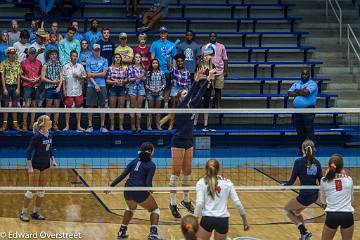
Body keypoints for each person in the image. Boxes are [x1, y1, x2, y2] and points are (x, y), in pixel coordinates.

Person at [161, 65, 216, 219]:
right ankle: (172, 203)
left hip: (188, 142)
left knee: (187, 174)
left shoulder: (192, 105)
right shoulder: (180, 107)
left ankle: (185, 201)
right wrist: (196, 81)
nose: (187, 95)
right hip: (178, 142)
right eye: (184, 94)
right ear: (180, 98)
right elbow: (191, 92)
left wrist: (208, 80)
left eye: (187, 94)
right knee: (175, 174)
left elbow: (199, 93)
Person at [107, 142, 161, 240]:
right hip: (139, 191)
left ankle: (122, 231)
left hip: (127, 190)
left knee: (130, 208)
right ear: (150, 152)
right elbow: (148, 183)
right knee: (155, 209)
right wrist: (152, 190)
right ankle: (153, 233)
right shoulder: (151, 165)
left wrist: (110, 187)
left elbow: (122, 175)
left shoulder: (134, 161)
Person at [194, 159, 250, 240]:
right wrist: (245, 220)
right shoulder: (227, 182)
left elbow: (199, 204)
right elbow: (237, 203)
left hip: (207, 219)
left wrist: (195, 220)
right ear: (218, 169)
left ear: (206, 169)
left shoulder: (201, 182)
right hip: (223, 220)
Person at [20, 115, 57, 222]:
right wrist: (30, 167)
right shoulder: (37, 136)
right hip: (36, 165)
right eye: (49, 120)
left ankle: (36, 212)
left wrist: (53, 159)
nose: (51, 121)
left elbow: (50, 149)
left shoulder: (50, 135)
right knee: (32, 189)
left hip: (46, 165)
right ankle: (23, 212)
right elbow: (28, 151)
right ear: (43, 124)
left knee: (41, 190)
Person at [283, 139, 322, 240]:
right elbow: (322, 181)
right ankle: (304, 236)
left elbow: (291, 181)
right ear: (313, 150)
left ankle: (304, 231)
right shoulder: (317, 162)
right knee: (296, 213)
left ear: (302, 150)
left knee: (286, 209)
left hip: (305, 195)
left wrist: (284, 186)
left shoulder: (298, 162)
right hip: (314, 195)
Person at [320, 154, 354, 240]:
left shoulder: (324, 180)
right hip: (347, 215)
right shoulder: (349, 179)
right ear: (342, 167)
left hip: (332, 215)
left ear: (329, 165)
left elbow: (323, 201)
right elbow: (352, 200)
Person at [288, 70, 318, 153]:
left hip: (308, 109)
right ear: (301, 75)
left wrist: (296, 91)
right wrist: (301, 91)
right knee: (300, 131)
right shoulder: (297, 83)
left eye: (306, 74)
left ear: (309, 75)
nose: (304, 76)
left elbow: (306, 93)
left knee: (309, 130)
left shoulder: (312, 84)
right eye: (303, 74)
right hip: (297, 111)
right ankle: (302, 150)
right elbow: (289, 93)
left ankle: (312, 150)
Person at [150, 26, 176, 108]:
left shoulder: (172, 44)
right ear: (159, 34)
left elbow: (174, 58)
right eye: (161, 33)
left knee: (167, 88)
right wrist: (154, 68)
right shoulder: (155, 44)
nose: (163, 34)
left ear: (167, 33)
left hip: (168, 70)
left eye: (164, 32)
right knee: (158, 87)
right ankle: (158, 105)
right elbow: (152, 57)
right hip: (158, 70)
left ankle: (165, 104)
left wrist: (173, 69)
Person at [86, 43, 108, 132]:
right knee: (90, 106)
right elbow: (88, 74)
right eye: (95, 50)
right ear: (92, 51)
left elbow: (104, 74)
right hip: (91, 85)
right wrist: (95, 84)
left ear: (100, 50)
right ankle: (90, 126)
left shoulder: (105, 60)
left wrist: (93, 74)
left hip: (102, 85)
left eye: (98, 50)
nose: (97, 51)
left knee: (102, 105)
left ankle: (102, 126)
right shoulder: (88, 60)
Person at [193, 44, 216, 131]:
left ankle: (206, 125)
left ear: (211, 57)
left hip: (208, 88)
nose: (206, 57)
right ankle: (194, 123)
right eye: (205, 56)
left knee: (206, 105)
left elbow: (212, 78)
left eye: (208, 56)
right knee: (197, 105)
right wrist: (206, 77)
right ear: (203, 56)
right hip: (199, 87)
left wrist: (206, 78)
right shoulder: (199, 65)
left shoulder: (213, 66)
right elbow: (196, 78)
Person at [62, 50, 86, 131]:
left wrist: (79, 76)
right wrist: (64, 90)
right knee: (68, 108)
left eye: (76, 56)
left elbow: (85, 78)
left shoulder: (80, 66)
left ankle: (78, 126)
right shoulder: (65, 66)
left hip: (78, 90)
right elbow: (63, 80)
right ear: (70, 56)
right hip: (69, 91)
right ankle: (67, 125)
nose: (74, 57)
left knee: (78, 108)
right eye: (73, 56)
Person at [167, 53, 191, 130]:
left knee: (185, 107)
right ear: (176, 62)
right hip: (175, 88)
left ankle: (184, 125)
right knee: (174, 107)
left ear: (184, 62)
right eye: (178, 61)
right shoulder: (174, 69)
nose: (180, 62)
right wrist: (168, 57)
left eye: (181, 61)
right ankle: (171, 124)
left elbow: (189, 84)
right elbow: (168, 66)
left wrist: (189, 94)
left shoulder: (187, 72)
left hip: (184, 89)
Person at [41, 48, 63, 131]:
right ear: (49, 56)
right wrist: (52, 82)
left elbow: (61, 77)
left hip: (57, 88)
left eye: (55, 54)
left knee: (57, 107)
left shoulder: (59, 64)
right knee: (48, 107)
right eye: (52, 54)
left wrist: (59, 87)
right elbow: (42, 78)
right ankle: (47, 126)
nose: (54, 56)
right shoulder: (45, 65)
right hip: (48, 88)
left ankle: (55, 125)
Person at [21, 47, 42, 131]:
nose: (32, 54)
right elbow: (20, 75)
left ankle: (32, 124)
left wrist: (37, 79)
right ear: (28, 53)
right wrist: (28, 79)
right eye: (31, 53)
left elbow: (41, 74)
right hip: (27, 85)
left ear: (35, 53)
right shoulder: (23, 63)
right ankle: (24, 124)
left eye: (34, 53)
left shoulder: (39, 63)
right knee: (26, 104)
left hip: (36, 85)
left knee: (34, 105)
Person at [0, 47, 22, 131]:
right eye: (10, 53)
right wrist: (4, 88)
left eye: (13, 53)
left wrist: (18, 88)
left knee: (15, 104)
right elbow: (2, 76)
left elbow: (19, 76)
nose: (12, 54)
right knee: (5, 104)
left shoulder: (18, 63)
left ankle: (15, 123)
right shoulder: (3, 63)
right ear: (8, 54)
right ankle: (4, 123)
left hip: (15, 86)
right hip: (7, 86)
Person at [205, 32, 228, 109]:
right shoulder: (208, 47)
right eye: (211, 36)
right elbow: (206, 60)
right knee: (209, 89)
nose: (212, 38)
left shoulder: (221, 46)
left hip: (220, 70)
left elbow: (225, 59)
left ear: (216, 37)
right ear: (209, 37)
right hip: (210, 71)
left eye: (214, 36)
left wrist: (225, 71)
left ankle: (218, 104)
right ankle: (209, 105)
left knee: (218, 89)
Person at [106, 53, 127, 131]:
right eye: (116, 57)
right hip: (113, 89)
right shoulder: (110, 68)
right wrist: (114, 82)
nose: (117, 59)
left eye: (119, 57)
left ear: (121, 59)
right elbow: (107, 80)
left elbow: (126, 80)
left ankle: (121, 125)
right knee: (112, 108)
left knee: (121, 108)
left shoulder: (124, 68)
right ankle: (112, 125)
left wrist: (121, 82)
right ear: (114, 59)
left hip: (121, 88)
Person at [145, 58, 166, 130]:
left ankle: (158, 125)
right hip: (150, 93)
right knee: (150, 110)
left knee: (158, 110)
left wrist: (159, 89)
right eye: (153, 63)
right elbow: (146, 84)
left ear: (158, 64)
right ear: (151, 64)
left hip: (159, 93)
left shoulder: (161, 73)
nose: (155, 64)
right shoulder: (148, 73)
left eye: (156, 63)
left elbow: (164, 83)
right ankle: (149, 125)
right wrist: (151, 89)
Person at [128, 53, 146, 131]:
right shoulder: (130, 67)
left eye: (139, 57)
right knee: (133, 106)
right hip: (133, 87)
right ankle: (132, 125)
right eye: (136, 57)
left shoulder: (143, 68)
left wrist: (142, 77)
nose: (138, 58)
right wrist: (137, 77)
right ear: (134, 59)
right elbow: (129, 79)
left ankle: (138, 126)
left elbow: (145, 79)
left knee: (139, 107)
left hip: (141, 87)